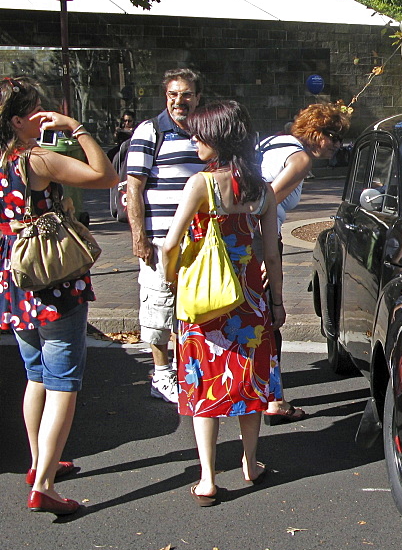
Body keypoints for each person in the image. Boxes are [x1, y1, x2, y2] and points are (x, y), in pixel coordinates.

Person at [0, 77, 118, 515]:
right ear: (17, 119)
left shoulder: (3, 159)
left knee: (35, 374)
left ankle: (39, 464)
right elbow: (105, 176)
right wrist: (76, 128)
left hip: (15, 277)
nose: (44, 113)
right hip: (52, 279)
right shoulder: (37, 160)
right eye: (35, 109)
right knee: (63, 379)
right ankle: (46, 485)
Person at [163, 100, 284, 505]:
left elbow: (169, 244)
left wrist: (170, 280)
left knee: (205, 384)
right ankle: (251, 464)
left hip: (206, 301)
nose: (193, 140)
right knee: (248, 381)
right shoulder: (262, 190)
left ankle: (209, 478)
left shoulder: (201, 185)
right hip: (250, 299)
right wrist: (278, 302)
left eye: (200, 135)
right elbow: (272, 255)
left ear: (217, 139)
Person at [257, 102, 348, 424]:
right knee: (271, 317)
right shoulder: (299, 157)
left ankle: (257, 393)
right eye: (333, 136)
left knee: (252, 318)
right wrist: (267, 254)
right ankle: (274, 400)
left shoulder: (273, 142)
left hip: (244, 237)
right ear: (316, 132)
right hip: (259, 237)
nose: (337, 144)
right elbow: (263, 204)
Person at [126, 68, 206, 404]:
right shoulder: (151, 130)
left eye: (186, 94)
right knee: (159, 307)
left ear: (197, 98)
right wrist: (139, 238)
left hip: (199, 240)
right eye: (173, 95)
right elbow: (134, 186)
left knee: (192, 308)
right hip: (159, 241)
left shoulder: (204, 131)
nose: (179, 102)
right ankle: (161, 376)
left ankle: (186, 370)